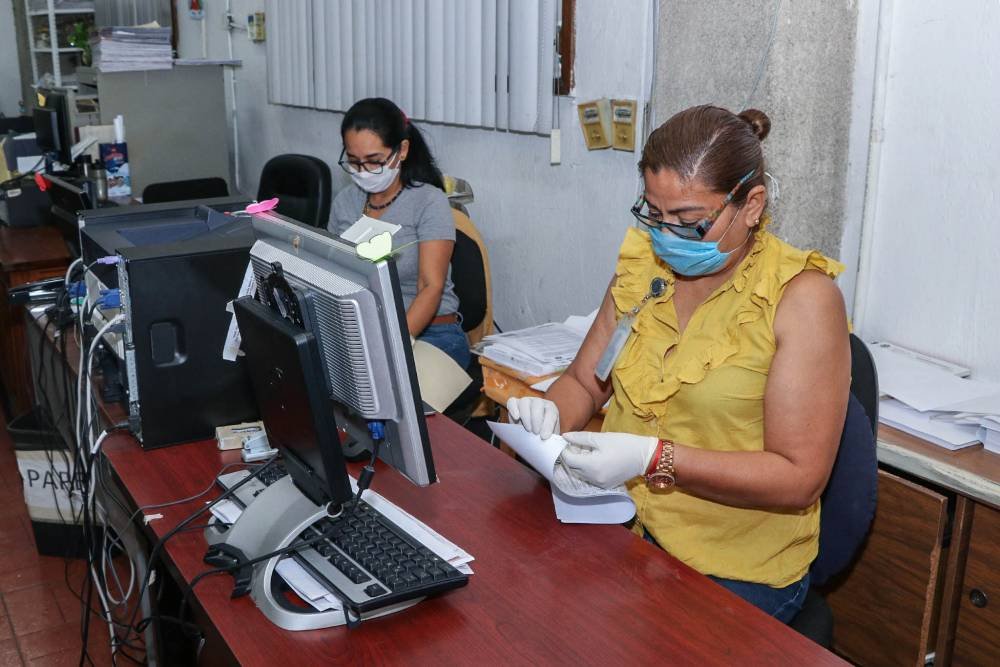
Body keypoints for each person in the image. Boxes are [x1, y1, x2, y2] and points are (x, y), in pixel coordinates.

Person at [507, 105, 850, 623]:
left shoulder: (801, 299)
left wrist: (653, 457)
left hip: (733, 565)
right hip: (623, 523)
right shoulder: (644, 265)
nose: (666, 237)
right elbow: (585, 380)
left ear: (751, 205)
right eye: (653, 214)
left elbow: (798, 477)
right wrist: (551, 416)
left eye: (690, 222)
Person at [329, 97, 470, 369]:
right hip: (366, 332)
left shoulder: (429, 202)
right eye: (354, 162)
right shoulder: (345, 201)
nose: (364, 171)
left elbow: (431, 287)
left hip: (430, 335)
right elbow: (334, 274)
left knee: (381, 398)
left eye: (374, 161)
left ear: (402, 150)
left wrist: (391, 348)